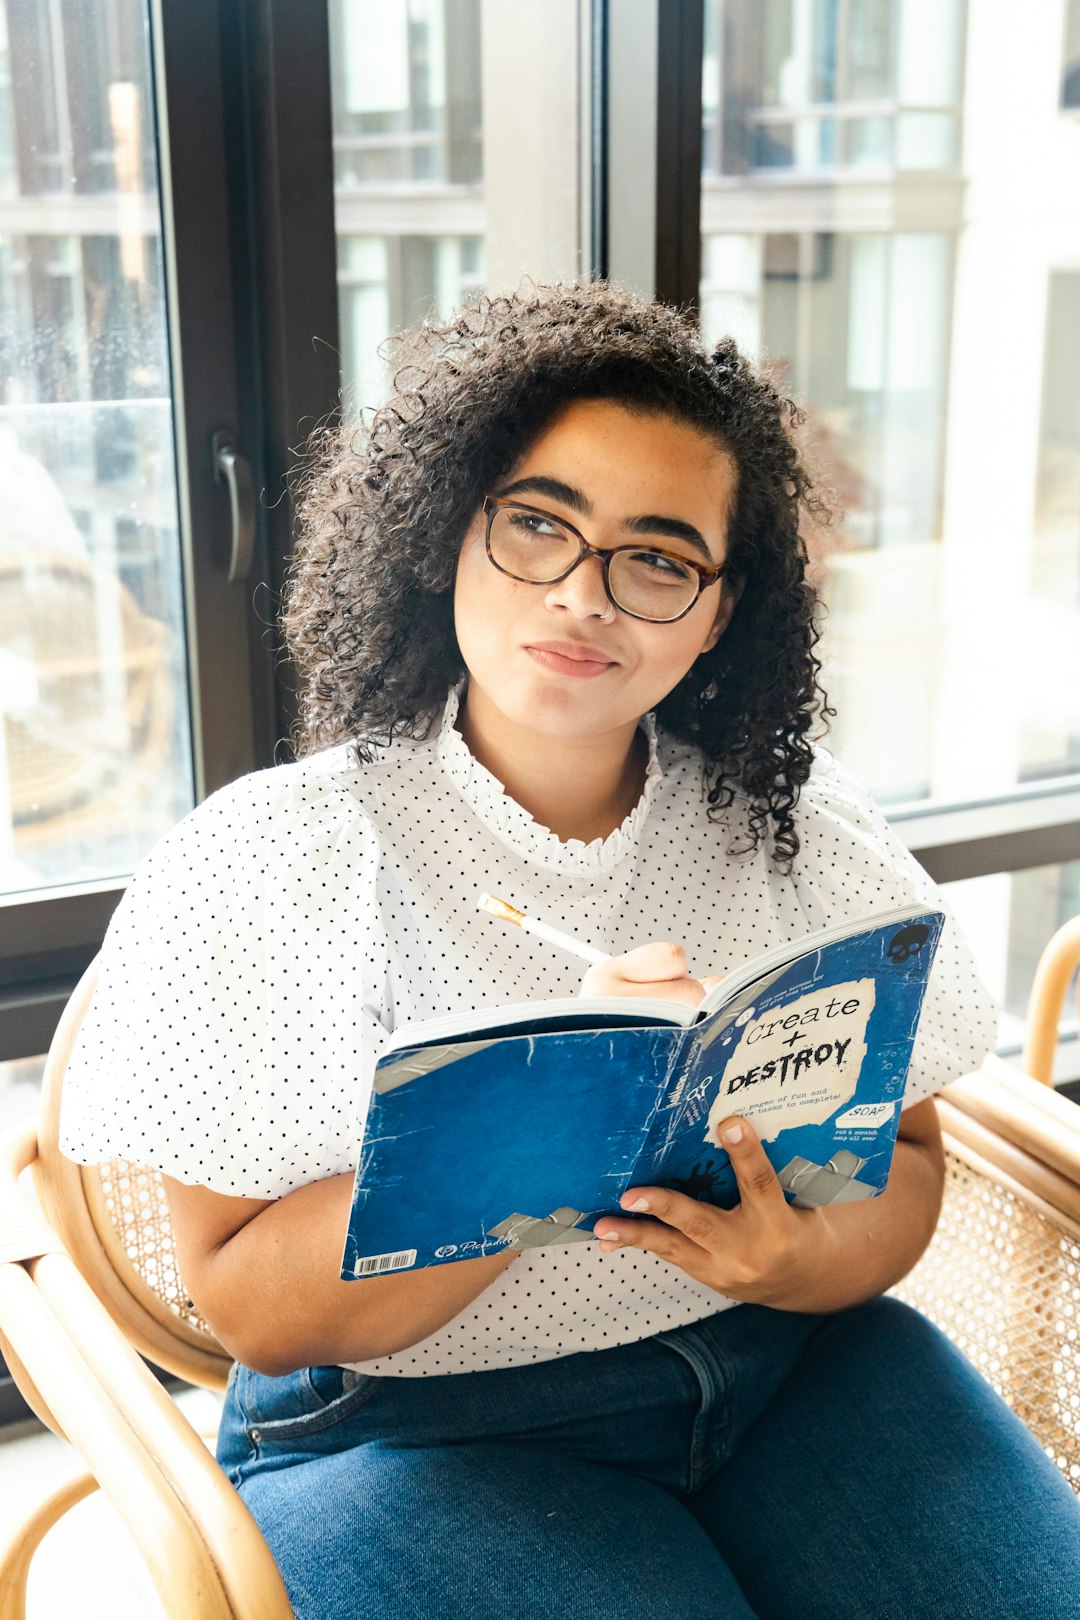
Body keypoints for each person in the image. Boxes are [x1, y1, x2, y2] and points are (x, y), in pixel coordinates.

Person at [59, 282, 1080, 1619]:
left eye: (658, 559)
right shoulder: (278, 855)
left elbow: (913, 1169)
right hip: (417, 1430)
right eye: (539, 525)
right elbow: (252, 1306)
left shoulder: (798, 826)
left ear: (719, 612)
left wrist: (795, 1262)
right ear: (448, 539)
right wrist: (543, 1123)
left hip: (796, 1369)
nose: (587, 597)